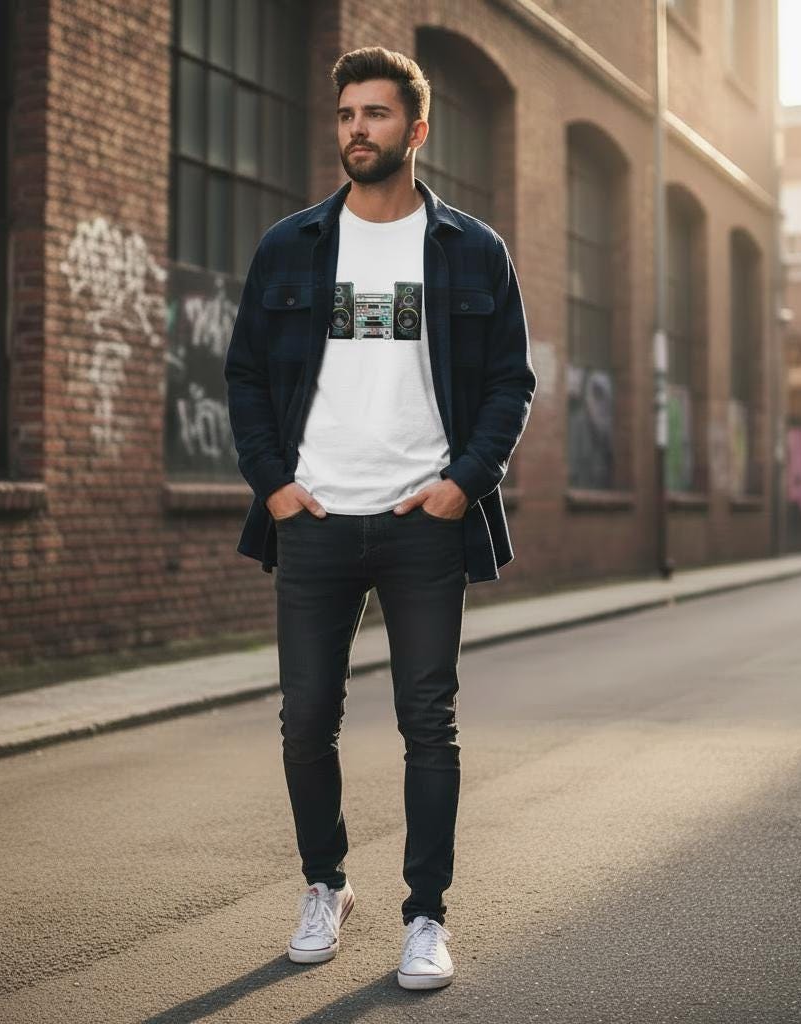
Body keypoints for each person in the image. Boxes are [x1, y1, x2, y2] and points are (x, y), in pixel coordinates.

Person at [224, 45, 535, 990]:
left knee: (426, 722)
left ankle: (427, 916)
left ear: (418, 129)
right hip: (314, 518)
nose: (357, 129)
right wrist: (274, 484)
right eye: (347, 115)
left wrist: (464, 483)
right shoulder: (290, 246)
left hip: (423, 521)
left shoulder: (473, 251)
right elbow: (243, 376)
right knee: (305, 721)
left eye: (377, 114)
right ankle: (326, 883)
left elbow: (510, 384)